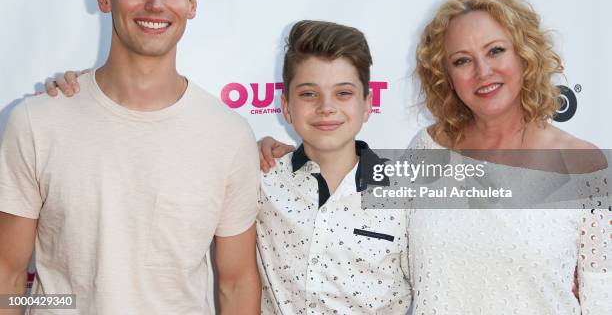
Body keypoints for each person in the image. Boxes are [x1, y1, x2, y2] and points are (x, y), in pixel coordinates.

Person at [257, 0, 612, 314]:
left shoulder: (583, 166)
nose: (482, 71)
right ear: (446, 75)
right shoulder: (429, 149)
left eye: (495, 51)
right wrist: (281, 154)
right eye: (461, 61)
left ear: (525, 54)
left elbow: (602, 298)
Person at [44, 20, 413, 314]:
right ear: (285, 107)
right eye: (308, 93)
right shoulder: (259, 173)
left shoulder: (413, 187)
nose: (326, 107)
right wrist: (83, 90)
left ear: (368, 104)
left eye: (344, 93)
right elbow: (163, 137)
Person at [0, 0, 261, 315]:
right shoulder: (38, 122)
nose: (156, 4)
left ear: (192, 3)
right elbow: (8, 273)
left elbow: (237, 283)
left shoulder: (228, 135)